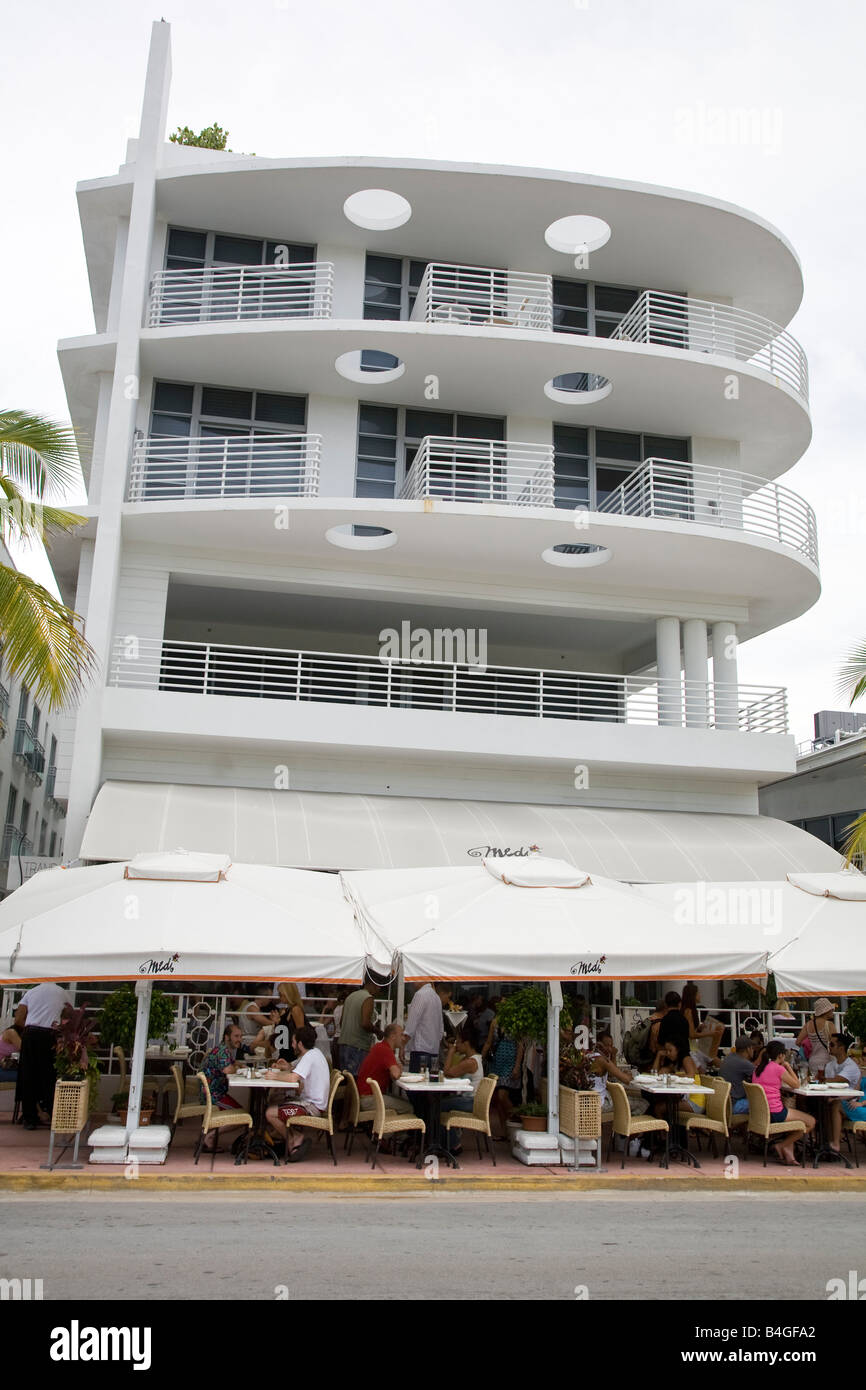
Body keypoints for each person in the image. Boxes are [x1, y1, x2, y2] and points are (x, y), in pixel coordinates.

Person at [265, 1024, 331, 1161]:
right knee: (275, 1098)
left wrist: (274, 1076)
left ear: (300, 1043)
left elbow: (293, 1078)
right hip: (312, 1103)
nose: (292, 1045)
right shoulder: (314, 1053)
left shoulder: (309, 1056)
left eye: (294, 1042)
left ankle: (293, 1139)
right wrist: (287, 1066)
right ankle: (285, 1137)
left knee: (270, 1113)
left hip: (311, 1107)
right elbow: (296, 1069)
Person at [16, 982, 71, 1129]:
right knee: (49, 1075)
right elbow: (67, 1017)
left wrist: (31, 1025)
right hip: (50, 1035)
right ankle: (53, 1114)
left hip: (31, 1034)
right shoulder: (62, 992)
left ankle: (29, 1117)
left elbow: (18, 1019)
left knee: (28, 1075)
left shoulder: (31, 992)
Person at [752, 1040, 815, 1164]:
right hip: (776, 1113)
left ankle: (789, 1153)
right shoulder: (778, 1068)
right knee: (811, 1122)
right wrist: (788, 1066)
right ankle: (782, 1145)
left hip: (761, 1113)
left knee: (796, 1121)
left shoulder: (758, 1069)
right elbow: (796, 1084)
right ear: (780, 1055)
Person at [441, 1027, 485, 1152]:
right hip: (467, 1099)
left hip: (471, 1101)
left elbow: (447, 1073)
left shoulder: (470, 1062)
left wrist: (450, 1052)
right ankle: (444, 1141)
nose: (456, 1045)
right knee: (440, 1103)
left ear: (466, 1043)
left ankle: (453, 1144)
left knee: (438, 1106)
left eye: (458, 1042)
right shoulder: (470, 1059)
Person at [483, 1010, 524, 1140]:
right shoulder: (495, 1022)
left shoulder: (516, 1023)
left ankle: (517, 1118)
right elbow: (489, 1042)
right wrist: (480, 1058)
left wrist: (517, 1066)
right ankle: (505, 1132)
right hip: (496, 1062)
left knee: (502, 1096)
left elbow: (520, 1045)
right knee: (499, 1100)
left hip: (510, 1063)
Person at [356, 1022, 413, 1114]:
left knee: (406, 1102)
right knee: (409, 1108)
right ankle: (397, 1127)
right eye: (401, 1035)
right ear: (393, 1036)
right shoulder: (385, 1050)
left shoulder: (380, 1047)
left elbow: (392, 1072)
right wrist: (399, 1067)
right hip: (369, 1099)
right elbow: (395, 1074)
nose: (403, 1038)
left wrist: (397, 1067)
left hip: (365, 1096)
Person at [590, 1031, 649, 1117]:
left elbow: (611, 1076)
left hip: (595, 1100)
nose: (610, 1049)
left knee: (630, 1097)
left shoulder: (591, 1056)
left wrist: (613, 1055)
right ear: (599, 1044)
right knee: (644, 1103)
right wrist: (628, 1075)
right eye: (606, 1045)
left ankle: (624, 1124)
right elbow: (626, 1080)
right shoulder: (602, 1060)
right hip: (601, 1103)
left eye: (611, 1045)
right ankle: (627, 1126)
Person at [826, 1031, 866, 1151]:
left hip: (862, 1106)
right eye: (863, 1054)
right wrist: (837, 1098)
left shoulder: (853, 1067)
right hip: (857, 1105)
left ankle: (835, 1143)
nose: (864, 1057)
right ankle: (831, 1141)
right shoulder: (862, 1073)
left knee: (836, 1106)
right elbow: (855, 1091)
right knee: (831, 1104)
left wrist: (861, 1103)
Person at [404, 981, 451, 1072]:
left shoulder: (420, 995)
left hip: (420, 1050)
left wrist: (403, 1046)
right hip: (434, 1052)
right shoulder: (437, 998)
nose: (413, 983)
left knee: (417, 1083)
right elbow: (441, 1031)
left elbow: (411, 1025)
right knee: (430, 1083)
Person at [339, 976, 382, 1075]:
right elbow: (365, 1023)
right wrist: (377, 1031)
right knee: (356, 1080)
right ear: (371, 984)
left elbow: (341, 1022)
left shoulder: (350, 997)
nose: (379, 989)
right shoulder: (368, 998)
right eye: (378, 986)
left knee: (347, 1081)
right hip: (358, 1046)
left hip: (343, 1044)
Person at [200, 1023, 247, 1111]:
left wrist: (242, 1065)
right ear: (227, 1037)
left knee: (242, 1114)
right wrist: (237, 1068)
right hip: (213, 1096)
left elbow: (233, 1062)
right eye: (236, 1036)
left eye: (241, 1036)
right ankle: (217, 1125)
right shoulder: (223, 1051)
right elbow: (228, 1070)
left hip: (214, 1092)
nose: (239, 1039)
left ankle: (219, 1124)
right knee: (241, 1115)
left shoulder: (223, 1048)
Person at [680, 983, 724, 1067]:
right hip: (691, 1048)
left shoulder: (689, 1010)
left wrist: (700, 1027)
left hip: (694, 1046)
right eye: (698, 993)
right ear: (693, 995)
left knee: (714, 1060)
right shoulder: (688, 1011)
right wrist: (711, 1034)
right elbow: (692, 1034)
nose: (700, 995)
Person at [796, 998, 836, 1077]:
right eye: (831, 1009)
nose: (832, 1011)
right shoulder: (829, 1024)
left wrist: (810, 1047)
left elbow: (798, 1042)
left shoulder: (808, 1024)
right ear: (825, 1011)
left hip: (813, 1060)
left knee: (816, 1084)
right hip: (827, 1060)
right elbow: (836, 1043)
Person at [720, 1035, 755, 1114]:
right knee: (764, 1103)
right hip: (734, 1105)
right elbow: (761, 1076)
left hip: (724, 1103)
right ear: (748, 1049)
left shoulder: (729, 1057)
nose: (753, 1050)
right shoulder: (744, 1063)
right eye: (752, 1048)